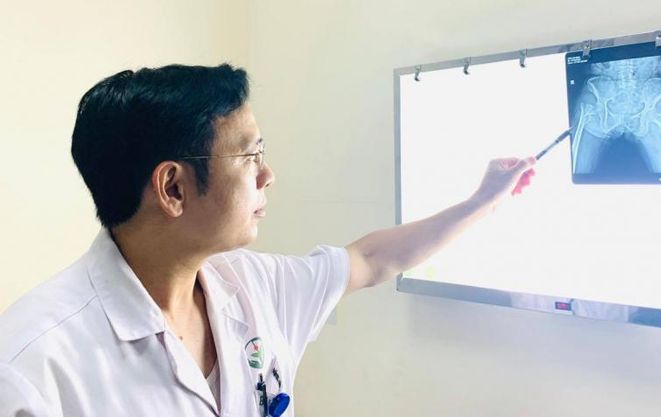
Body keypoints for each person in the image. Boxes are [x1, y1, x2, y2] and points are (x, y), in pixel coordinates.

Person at [0, 64, 535, 417]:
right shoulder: (32, 365)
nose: (268, 174)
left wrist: (482, 202)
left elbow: (372, 259)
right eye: (250, 156)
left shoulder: (254, 286)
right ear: (173, 188)